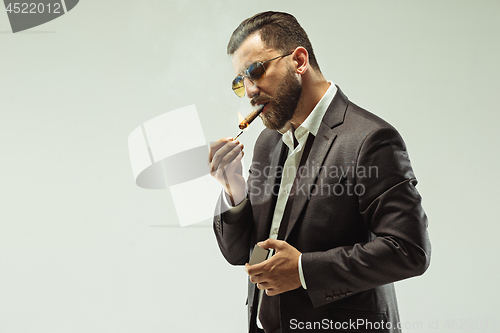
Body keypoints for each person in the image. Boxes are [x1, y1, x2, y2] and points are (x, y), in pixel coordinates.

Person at [208, 11, 431, 333]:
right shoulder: (268, 142)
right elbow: (240, 253)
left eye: (255, 70)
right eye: (240, 82)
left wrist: (302, 270)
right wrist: (234, 192)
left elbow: (409, 250)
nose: (251, 89)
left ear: (299, 60)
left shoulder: (370, 139)